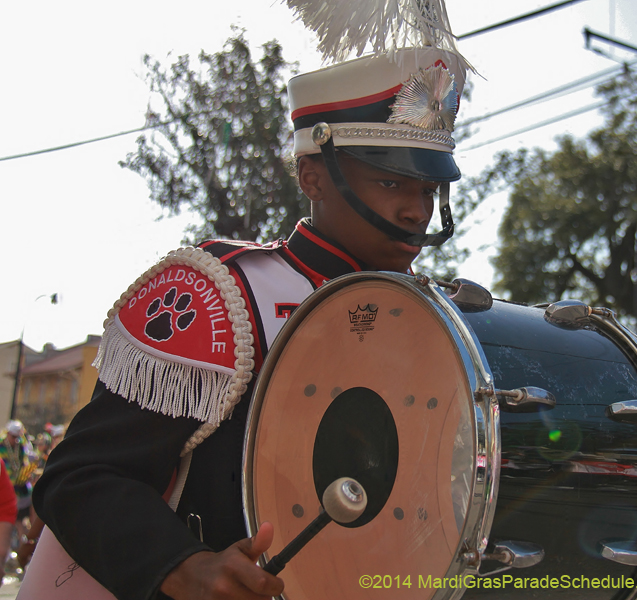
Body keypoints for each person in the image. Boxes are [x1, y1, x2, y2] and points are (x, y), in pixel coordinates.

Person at [28, 5, 471, 598]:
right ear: (313, 177)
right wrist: (182, 566)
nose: (417, 210)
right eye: (392, 182)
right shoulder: (219, 293)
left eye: (428, 189)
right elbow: (80, 477)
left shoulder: (434, 323)